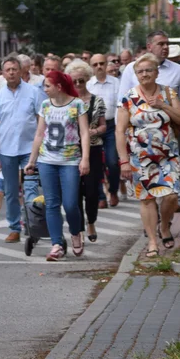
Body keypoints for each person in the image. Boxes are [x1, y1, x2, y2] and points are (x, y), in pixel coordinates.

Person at [117, 53, 180, 257]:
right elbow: (119, 131)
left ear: (157, 72)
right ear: (135, 75)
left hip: (168, 156)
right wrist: (123, 161)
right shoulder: (129, 97)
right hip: (140, 158)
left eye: (149, 70)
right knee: (146, 199)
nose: (145, 74)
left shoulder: (168, 93)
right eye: (140, 71)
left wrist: (162, 105)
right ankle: (153, 242)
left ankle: (164, 225)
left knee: (172, 196)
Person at [25, 71, 90, 261]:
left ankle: (76, 232)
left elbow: (84, 133)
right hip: (47, 160)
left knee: (70, 204)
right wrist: (32, 160)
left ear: (58, 86)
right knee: (52, 204)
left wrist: (85, 158)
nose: (44, 89)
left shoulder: (77, 104)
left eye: (47, 86)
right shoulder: (45, 105)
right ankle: (56, 245)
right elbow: (39, 134)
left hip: (70, 161)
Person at [0, 56, 44, 243]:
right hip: (6, 151)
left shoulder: (33, 92)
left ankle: (33, 226)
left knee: (31, 190)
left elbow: (41, 121)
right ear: (2, 74)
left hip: (29, 149)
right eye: (7, 70)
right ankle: (14, 228)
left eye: (14, 69)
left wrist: (41, 147)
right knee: (10, 192)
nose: (11, 72)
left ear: (21, 71)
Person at [69, 62, 107, 243]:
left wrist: (95, 131)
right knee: (74, 192)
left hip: (93, 149)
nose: (77, 84)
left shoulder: (97, 100)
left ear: (87, 80)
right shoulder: (66, 101)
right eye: (74, 81)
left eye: (81, 81)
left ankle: (91, 221)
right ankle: (78, 228)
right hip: (72, 150)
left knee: (92, 191)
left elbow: (103, 125)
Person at [88, 53, 122, 208]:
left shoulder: (116, 83)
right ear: (91, 67)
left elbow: (120, 105)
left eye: (102, 63)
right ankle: (101, 196)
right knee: (95, 164)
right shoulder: (88, 85)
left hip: (111, 126)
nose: (99, 67)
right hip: (92, 128)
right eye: (95, 64)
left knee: (112, 162)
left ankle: (113, 190)